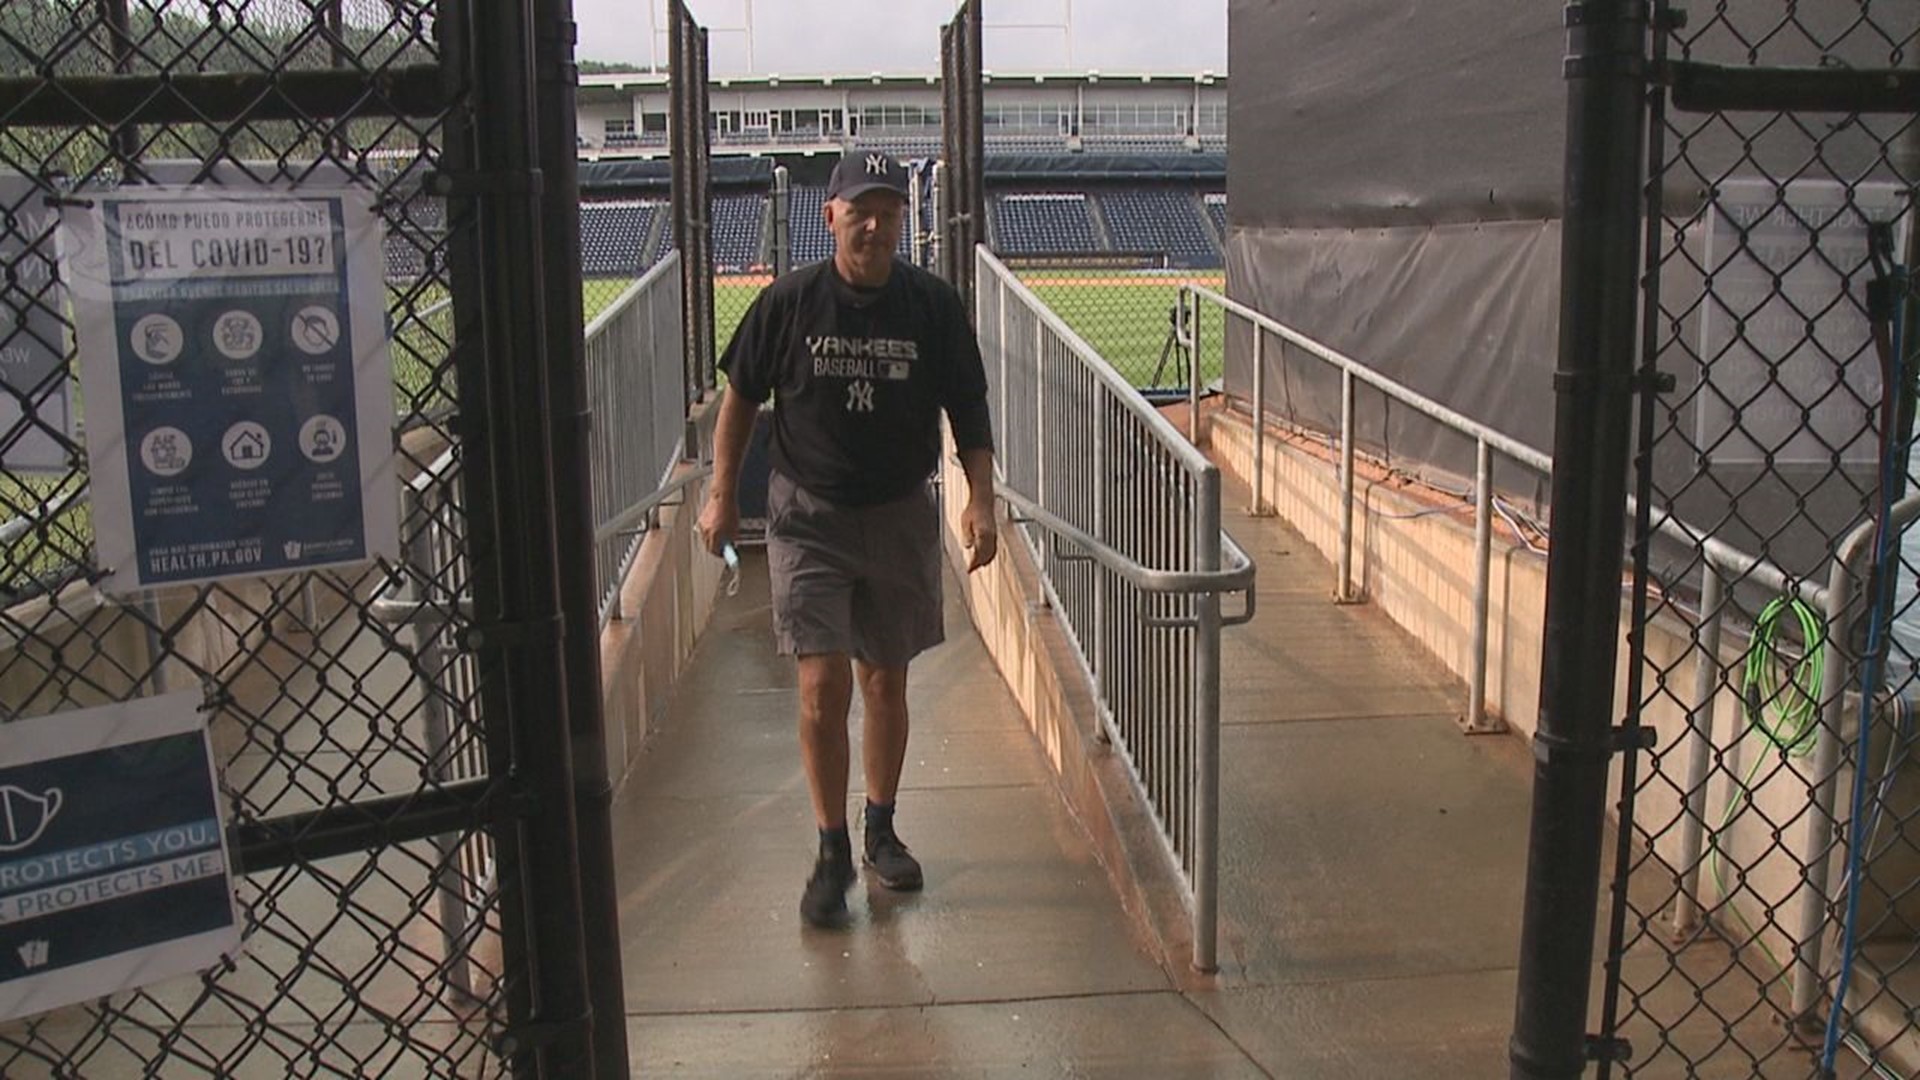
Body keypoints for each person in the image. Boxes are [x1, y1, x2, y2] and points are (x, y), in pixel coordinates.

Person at [697, 148, 998, 929]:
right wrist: (722, 492)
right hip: (809, 516)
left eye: (888, 212)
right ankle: (831, 847)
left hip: (898, 512)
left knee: (884, 681)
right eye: (860, 211)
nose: (874, 226)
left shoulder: (931, 305)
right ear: (830, 216)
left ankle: (880, 827)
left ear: (902, 220)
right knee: (821, 684)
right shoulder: (790, 302)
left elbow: (969, 408)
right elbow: (740, 397)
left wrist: (981, 500)